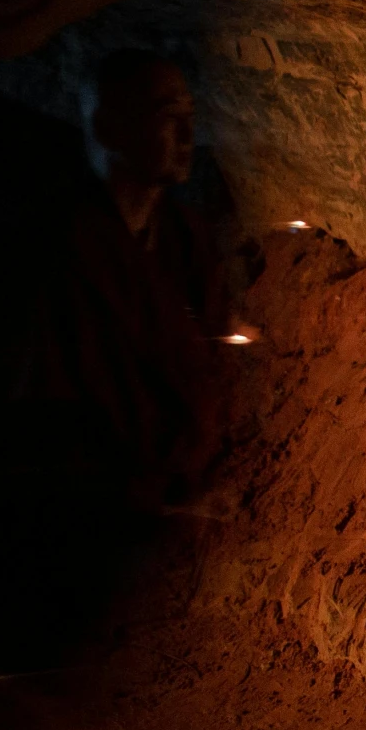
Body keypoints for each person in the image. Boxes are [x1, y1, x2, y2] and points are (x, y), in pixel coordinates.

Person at [32, 50, 238, 506]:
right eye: (168, 117)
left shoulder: (186, 239)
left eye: (191, 115)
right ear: (109, 128)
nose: (188, 136)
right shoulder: (60, 255)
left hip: (176, 499)